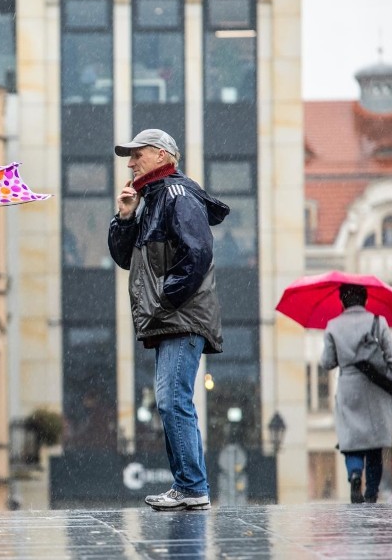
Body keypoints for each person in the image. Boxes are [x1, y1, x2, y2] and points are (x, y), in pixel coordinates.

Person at [107, 129, 229, 511]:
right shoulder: (151, 201)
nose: (130, 163)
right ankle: (188, 486)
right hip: (171, 318)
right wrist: (125, 217)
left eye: (137, 154)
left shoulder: (177, 195)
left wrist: (164, 299)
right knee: (170, 401)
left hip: (180, 317)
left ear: (162, 156)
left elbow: (198, 253)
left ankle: (192, 486)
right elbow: (126, 259)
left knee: (173, 400)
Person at [319, 283, 392, 503]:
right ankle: (371, 493)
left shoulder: (333, 326)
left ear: (342, 302)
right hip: (376, 389)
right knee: (373, 445)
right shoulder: (378, 322)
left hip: (349, 389)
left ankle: (353, 474)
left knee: (351, 440)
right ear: (365, 300)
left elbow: (327, 362)